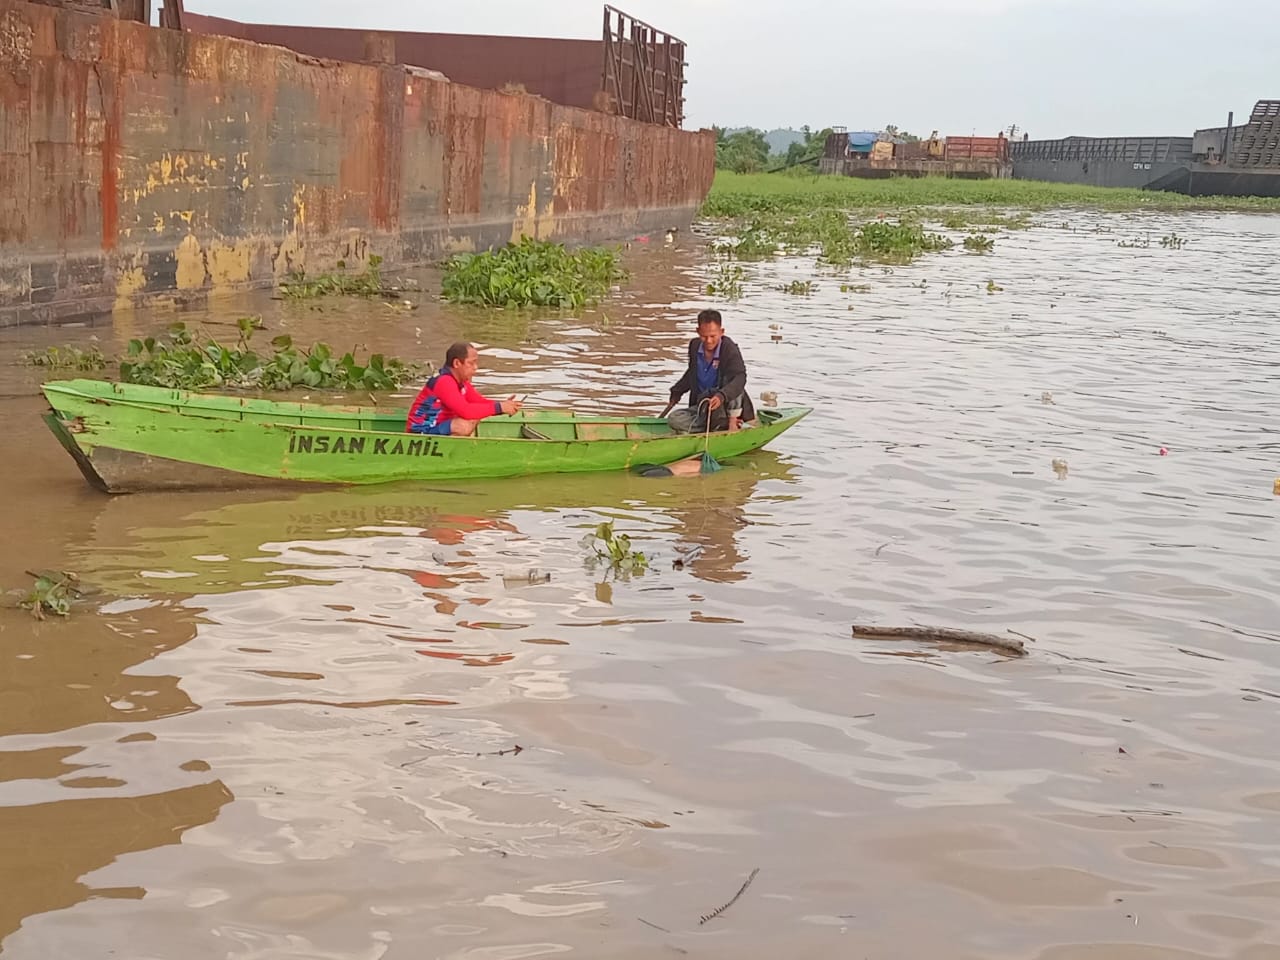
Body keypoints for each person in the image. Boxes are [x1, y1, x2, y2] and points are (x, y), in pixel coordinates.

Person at [665, 309, 754, 433]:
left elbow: (740, 378)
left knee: (735, 381)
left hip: (724, 407)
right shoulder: (694, 346)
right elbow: (692, 373)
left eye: (713, 336)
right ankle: (714, 425)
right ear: (698, 331)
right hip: (703, 405)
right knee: (674, 419)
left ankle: (731, 422)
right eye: (704, 336)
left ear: (721, 332)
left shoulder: (729, 348)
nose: (708, 341)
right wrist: (677, 392)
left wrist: (721, 396)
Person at [406, 341, 521, 436]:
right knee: (463, 425)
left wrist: (504, 406)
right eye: (471, 363)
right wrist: (500, 407)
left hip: (439, 428)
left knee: (476, 415)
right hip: (421, 432)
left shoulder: (462, 383)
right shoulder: (444, 381)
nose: (475, 368)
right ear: (457, 363)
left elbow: (479, 402)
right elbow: (466, 411)